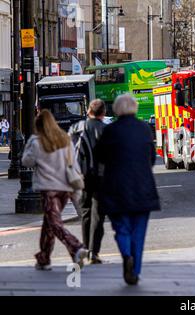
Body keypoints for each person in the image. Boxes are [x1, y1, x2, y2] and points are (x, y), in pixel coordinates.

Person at [96, 94, 161, 286]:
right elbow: (151, 158)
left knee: (121, 228)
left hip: (116, 187)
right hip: (142, 187)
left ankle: (126, 255)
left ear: (116, 109)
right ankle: (135, 270)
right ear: (134, 108)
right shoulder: (144, 129)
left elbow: (100, 156)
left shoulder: (110, 130)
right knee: (139, 233)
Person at [21, 110, 88, 271]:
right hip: (65, 188)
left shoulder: (37, 142)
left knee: (54, 223)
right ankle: (44, 258)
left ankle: (76, 247)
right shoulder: (65, 139)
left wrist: (30, 143)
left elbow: (26, 162)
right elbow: (73, 163)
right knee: (49, 223)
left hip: (48, 188)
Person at [69, 99, 107, 265]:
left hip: (82, 177)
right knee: (98, 215)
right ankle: (94, 252)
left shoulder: (76, 129)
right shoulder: (106, 130)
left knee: (85, 213)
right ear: (103, 113)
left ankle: (84, 248)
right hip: (101, 177)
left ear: (88, 111)